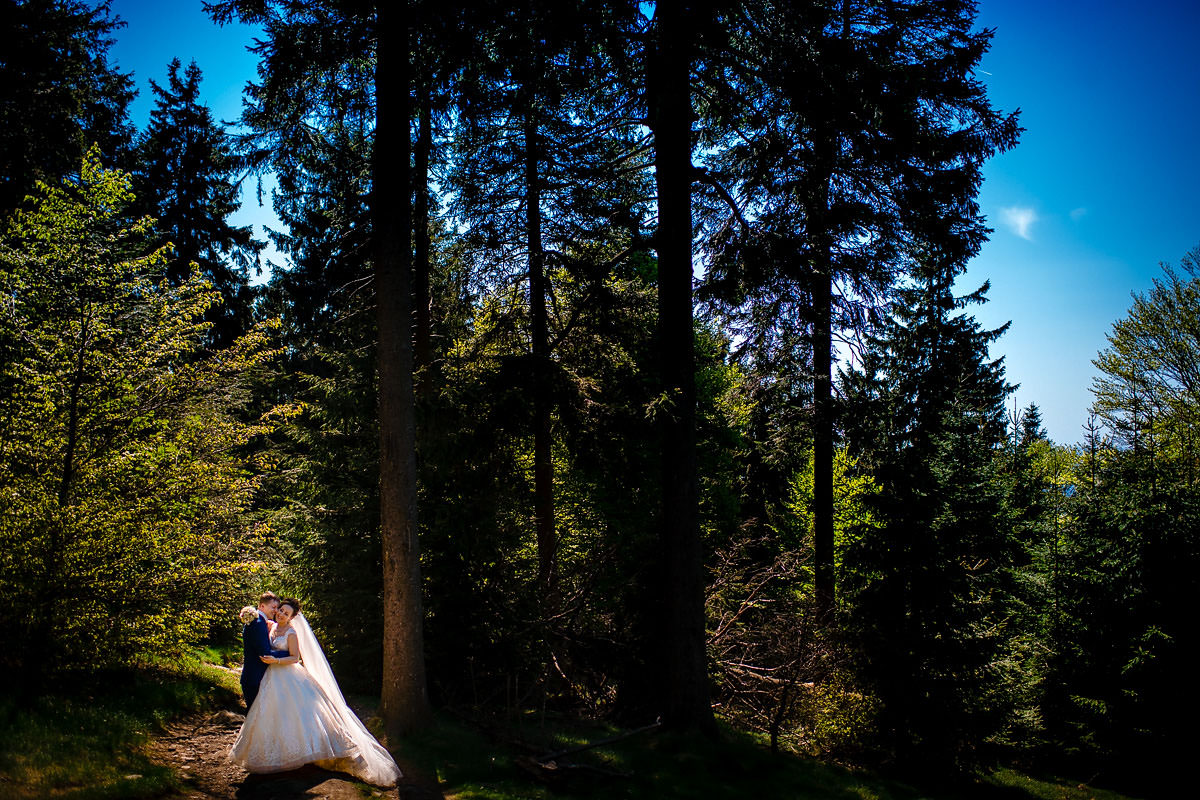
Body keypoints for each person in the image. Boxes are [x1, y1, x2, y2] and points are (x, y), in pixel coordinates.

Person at [228, 597, 402, 787]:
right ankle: (277, 752)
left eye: (286, 613)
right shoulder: (271, 626)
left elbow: (294, 657)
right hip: (272, 677)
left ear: (293, 617)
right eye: (280, 610)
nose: (281, 613)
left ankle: (312, 750)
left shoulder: (292, 633)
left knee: (300, 713)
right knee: (275, 714)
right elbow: (262, 634)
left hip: (287, 674)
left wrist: (276, 660)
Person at [239, 591, 291, 710]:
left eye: (277, 608)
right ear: (262, 606)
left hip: (253, 676)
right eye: (273, 607)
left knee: (256, 717)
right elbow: (265, 654)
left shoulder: (259, 621)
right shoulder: (258, 623)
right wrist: (288, 653)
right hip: (254, 678)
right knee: (255, 716)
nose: (276, 611)